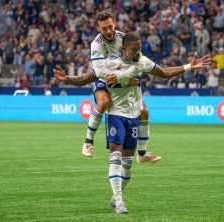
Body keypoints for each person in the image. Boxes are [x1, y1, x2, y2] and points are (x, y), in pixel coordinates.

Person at [54, 32, 211, 214]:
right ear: (124, 48)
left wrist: (189, 67)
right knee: (116, 154)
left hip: (133, 115)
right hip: (115, 114)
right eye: (134, 49)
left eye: (139, 48)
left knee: (128, 161)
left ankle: (117, 195)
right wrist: (67, 79)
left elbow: (165, 73)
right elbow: (84, 80)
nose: (138, 52)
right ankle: (120, 201)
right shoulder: (109, 62)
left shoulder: (142, 61)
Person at [54, 10, 161, 163]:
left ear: (115, 23)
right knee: (104, 103)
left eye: (110, 26)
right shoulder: (96, 45)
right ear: (98, 28)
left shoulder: (124, 38)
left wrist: (130, 74)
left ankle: (142, 155)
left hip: (123, 77)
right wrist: (123, 79)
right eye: (104, 28)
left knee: (144, 112)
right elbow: (100, 72)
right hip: (105, 78)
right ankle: (88, 142)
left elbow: (137, 58)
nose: (109, 31)